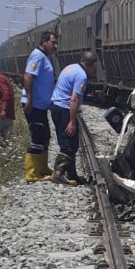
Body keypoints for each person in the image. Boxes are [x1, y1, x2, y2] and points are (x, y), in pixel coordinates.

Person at [50, 50, 98, 185]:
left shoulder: (70, 67)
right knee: (69, 145)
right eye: (95, 66)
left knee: (67, 141)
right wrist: (72, 121)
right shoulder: (82, 76)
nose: (95, 69)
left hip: (56, 106)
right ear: (90, 64)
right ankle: (58, 173)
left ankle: (72, 175)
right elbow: (74, 99)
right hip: (64, 108)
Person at [20, 31, 58, 182]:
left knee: (45, 135)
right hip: (34, 104)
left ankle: (42, 168)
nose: (55, 46)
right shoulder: (37, 56)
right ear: (44, 41)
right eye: (53, 42)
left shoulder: (45, 57)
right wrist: (29, 99)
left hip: (41, 106)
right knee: (37, 136)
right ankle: (31, 173)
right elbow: (28, 76)